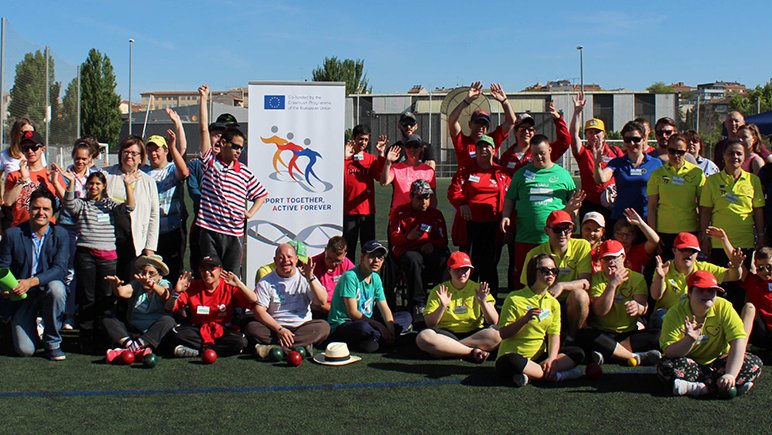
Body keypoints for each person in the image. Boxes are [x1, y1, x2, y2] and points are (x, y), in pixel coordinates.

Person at [60, 168, 137, 353]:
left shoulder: (109, 204)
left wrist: (128, 185)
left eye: (97, 184)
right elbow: (69, 205)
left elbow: (129, 207)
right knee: (87, 298)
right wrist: (70, 183)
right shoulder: (83, 204)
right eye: (91, 183)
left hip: (108, 258)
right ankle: (86, 338)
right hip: (86, 255)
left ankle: (105, 337)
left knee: (106, 299)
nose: (94, 187)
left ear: (103, 186)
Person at [657, 270, 763, 398]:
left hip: (720, 362)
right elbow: (669, 352)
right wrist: (689, 339)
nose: (707, 294)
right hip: (690, 363)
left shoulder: (724, 307)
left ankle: (697, 387)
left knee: (754, 363)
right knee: (665, 366)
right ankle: (719, 387)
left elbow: (738, 340)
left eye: (711, 291)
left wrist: (730, 374)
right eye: (701, 290)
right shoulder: (675, 313)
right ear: (690, 292)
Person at [501, 134, 583, 287]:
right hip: (525, 237)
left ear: (550, 150)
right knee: (524, 280)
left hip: (552, 240)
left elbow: (573, 203)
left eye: (542, 153)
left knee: (549, 278)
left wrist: (573, 217)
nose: (538, 157)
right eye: (534, 154)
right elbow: (510, 197)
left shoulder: (563, 175)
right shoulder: (521, 174)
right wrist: (506, 216)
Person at [496, 254, 586, 387]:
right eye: (545, 270)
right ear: (533, 272)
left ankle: (534, 374)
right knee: (512, 361)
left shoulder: (553, 303)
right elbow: (503, 333)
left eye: (554, 271)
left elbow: (553, 335)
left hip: (539, 358)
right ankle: (556, 376)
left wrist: (551, 359)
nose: (550, 274)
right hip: (514, 357)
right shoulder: (514, 298)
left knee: (578, 353)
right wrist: (524, 320)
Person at [0, 190, 68, 360]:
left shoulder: (60, 235)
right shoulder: (12, 234)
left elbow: (60, 269)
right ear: (29, 209)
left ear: (53, 212)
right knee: (25, 350)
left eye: (46, 209)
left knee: (57, 288)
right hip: (21, 295)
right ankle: (27, 328)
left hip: (46, 289)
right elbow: (3, 267)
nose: (41, 213)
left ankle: (52, 342)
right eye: (36, 208)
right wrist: (5, 289)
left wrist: (31, 281)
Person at [197, 125, 267, 277]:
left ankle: (232, 302)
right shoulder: (211, 163)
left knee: (232, 276)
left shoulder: (244, 171)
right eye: (235, 146)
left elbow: (261, 195)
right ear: (223, 143)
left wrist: (249, 213)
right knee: (210, 274)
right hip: (210, 230)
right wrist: (202, 100)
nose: (238, 151)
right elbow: (203, 129)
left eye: (241, 148)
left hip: (234, 233)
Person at [577, 240, 661, 366]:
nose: (610, 262)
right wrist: (612, 284)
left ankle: (609, 353)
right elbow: (600, 311)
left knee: (658, 335)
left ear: (622, 257)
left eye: (614, 258)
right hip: (602, 332)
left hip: (628, 334)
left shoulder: (637, 278)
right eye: (606, 259)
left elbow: (642, 306)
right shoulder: (596, 279)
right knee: (586, 335)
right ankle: (633, 356)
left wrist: (637, 307)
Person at [449, 135, 511, 293]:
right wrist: (461, 203)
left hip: (493, 226)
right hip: (470, 225)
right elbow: (454, 190)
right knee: (468, 265)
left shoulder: (502, 173)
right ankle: (466, 300)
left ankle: (490, 301)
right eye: (480, 147)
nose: (483, 149)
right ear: (475, 151)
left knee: (489, 266)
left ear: (493, 150)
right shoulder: (466, 170)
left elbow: (510, 198)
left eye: (487, 146)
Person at [327, 240, 412, 352]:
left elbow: (384, 308)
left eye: (380, 257)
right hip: (345, 323)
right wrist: (381, 327)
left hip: (368, 321)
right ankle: (386, 338)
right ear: (362, 258)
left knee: (406, 316)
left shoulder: (376, 278)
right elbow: (352, 313)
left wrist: (390, 329)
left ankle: (379, 339)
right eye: (372, 256)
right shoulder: (350, 277)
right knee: (363, 328)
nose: (376, 260)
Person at [416, 251, 500, 363]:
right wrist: (442, 306)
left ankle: (445, 349)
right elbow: (430, 323)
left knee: (497, 334)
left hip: (474, 334)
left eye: (465, 269)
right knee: (423, 337)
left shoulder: (479, 288)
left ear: (471, 270)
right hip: (445, 333)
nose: (462, 273)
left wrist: (483, 302)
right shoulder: (439, 290)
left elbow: (494, 321)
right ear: (449, 270)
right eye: (457, 269)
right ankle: (470, 352)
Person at [247, 244, 330, 355]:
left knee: (323, 327)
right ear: (275, 260)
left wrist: (310, 278)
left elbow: (322, 301)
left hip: (302, 327)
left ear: (296, 259)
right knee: (252, 328)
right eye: (281, 258)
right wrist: (279, 329)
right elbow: (259, 311)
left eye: (289, 257)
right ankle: (300, 347)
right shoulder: (265, 282)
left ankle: (275, 349)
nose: (286, 261)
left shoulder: (306, 278)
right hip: (275, 328)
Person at [519, 210, 592, 339]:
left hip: (570, 302)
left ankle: (572, 338)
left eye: (568, 229)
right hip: (546, 303)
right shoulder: (534, 254)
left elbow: (585, 282)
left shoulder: (582, 246)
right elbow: (527, 289)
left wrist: (562, 285)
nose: (563, 234)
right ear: (547, 230)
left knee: (580, 295)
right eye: (558, 229)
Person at [188, 86, 236, 275]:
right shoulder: (204, 163)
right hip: (204, 226)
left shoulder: (237, 167)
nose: (219, 139)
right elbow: (202, 128)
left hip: (229, 229)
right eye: (215, 134)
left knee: (229, 273)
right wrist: (203, 98)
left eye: (223, 136)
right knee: (203, 272)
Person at [166, 256, 257, 357]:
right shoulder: (193, 286)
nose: (207, 272)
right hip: (198, 330)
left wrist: (239, 284)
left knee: (241, 342)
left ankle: (198, 352)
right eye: (203, 269)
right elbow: (169, 308)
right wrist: (176, 292)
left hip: (222, 330)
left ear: (220, 271)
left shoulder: (229, 286)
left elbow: (253, 300)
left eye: (211, 269)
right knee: (176, 334)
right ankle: (212, 350)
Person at [650, 232, 743, 329]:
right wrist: (660, 277)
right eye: (683, 250)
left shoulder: (704, 268)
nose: (688, 254)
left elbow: (734, 276)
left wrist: (736, 266)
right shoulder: (664, 268)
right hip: (670, 316)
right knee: (662, 316)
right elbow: (655, 296)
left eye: (692, 251)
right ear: (674, 251)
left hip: (696, 317)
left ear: (697, 254)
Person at [55, 137, 100, 330]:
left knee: (86, 272)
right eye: (77, 158)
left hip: (88, 228)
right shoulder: (65, 174)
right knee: (67, 272)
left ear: (90, 159)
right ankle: (67, 314)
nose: (79, 162)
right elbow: (64, 201)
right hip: (67, 227)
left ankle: (83, 313)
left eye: (83, 159)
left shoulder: (95, 176)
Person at [142, 109, 190, 285]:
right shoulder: (143, 172)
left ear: (165, 150)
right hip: (150, 231)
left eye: (157, 150)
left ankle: (173, 305)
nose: (153, 153)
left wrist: (178, 125)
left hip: (173, 229)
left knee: (173, 269)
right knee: (151, 270)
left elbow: (184, 169)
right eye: (150, 150)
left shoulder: (172, 168)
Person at [699, 139, 765, 263]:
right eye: (730, 153)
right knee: (722, 281)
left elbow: (758, 210)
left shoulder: (753, 180)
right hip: (718, 242)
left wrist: (761, 236)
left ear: (744, 156)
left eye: (739, 153)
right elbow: (705, 211)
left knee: (743, 280)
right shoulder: (712, 181)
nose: (735, 156)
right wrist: (704, 238)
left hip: (745, 241)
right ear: (723, 156)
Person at [103, 136, 159, 281]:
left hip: (135, 243)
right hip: (108, 241)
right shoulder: (106, 175)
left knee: (129, 286)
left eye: (134, 153)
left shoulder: (148, 181)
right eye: (126, 152)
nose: (129, 156)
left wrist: (150, 247)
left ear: (141, 158)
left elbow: (154, 215)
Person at [389, 179, 448, 315]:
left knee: (444, 258)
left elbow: (443, 240)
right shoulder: (400, 213)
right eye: (419, 198)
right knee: (413, 259)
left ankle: (438, 299)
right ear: (411, 197)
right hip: (408, 250)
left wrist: (432, 244)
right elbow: (394, 239)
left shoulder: (436, 215)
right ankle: (418, 303)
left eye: (427, 198)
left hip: (429, 251)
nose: (423, 202)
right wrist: (408, 237)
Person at [101, 254, 176, 355]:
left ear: (160, 276)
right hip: (134, 331)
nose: (146, 276)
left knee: (168, 321)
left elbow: (166, 295)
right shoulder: (137, 284)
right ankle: (134, 346)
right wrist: (117, 286)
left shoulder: (164, 283)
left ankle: (132, 348)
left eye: (151, 273)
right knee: (108, 319)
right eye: (144, 272)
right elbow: (122, 292)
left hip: (153, 333)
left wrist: (151, 284)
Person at [594, 121, 663, 226]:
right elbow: (601, 178)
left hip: (645, 220)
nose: (631, 144)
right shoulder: (617, 162)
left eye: (636, 139)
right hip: (621, 220)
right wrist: (597, 163)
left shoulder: (655, 163)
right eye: (627, 140)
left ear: (644, 139)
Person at [647, 133, 706, 254]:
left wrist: (702, 232)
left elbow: (703, 206)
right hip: (664, 231)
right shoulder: (657, 174)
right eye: (672, 151)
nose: (676, 155)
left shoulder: (697, 173)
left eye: (680, 152)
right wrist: (653, 234)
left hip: (689, 230)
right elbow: (652, 206)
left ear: (687, 151)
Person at [569, 93, 623, 222]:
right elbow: (573, 135)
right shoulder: (583, 152)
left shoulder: (615, 151)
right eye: (590, 132)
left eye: (597, 132)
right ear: (586, 135)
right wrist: (577, 112)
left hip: (611, 203)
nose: (594, 135)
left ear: (604, 134)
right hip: (590, 204)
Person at [447, 82, 516, 170]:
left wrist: (504, 101)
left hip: (488, 181)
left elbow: (511, 121)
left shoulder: (492, 140)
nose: (480, 127)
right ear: (470, 124)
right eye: (477, 123)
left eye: (484, 124)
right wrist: (466, 101)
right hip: (467, 182)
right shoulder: (463, 142)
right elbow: (452, 121)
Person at [343, 124, 386, 262]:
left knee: (369, 249)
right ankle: (348, 277)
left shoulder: (371, 159)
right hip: (348, 211)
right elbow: (340, 179)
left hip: (367, 212)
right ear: (354, 139)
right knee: (348, 249)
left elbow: (380, 177)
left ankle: (367, 278)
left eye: (366, 140)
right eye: (360, 139)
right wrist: (345, 158)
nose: (363, 142)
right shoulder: (344, 159)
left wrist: (381, 154)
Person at [4, 131, 63, 227]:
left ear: (43, 149)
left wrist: (56, 183)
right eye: (26, 148)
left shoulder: (52, 176)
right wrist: (22, 179)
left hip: (46, 230)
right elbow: (8, 201)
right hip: (20, 229)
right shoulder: (14, 175)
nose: (30, 151)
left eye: (34, 147)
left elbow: (67, 203)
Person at [499, 102, 571, 176]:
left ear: (534, 132)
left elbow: (564, 142)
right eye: (522, 129)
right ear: (515, 132)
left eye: (530, 129)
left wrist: (558, 119)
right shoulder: (506, 157)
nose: (527, 132)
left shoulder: (543, 151)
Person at [381, 134, 436, 213]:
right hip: (400, 214)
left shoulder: (429, 171)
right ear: (405, 148)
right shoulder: (396, 168)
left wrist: (432, 213)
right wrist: (388, 162)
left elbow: (433, 197)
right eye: (409, 146)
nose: (412, 149)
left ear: (421, 148)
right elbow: (383, 182)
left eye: (415, 146)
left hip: (420, 214)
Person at [310, 236, 355, 317]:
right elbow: (315, 301)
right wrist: (338, 312)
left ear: (345, 255)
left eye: (338, 261)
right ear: (325, 250)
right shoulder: (313, 265)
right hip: (320, 310)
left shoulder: (348, 265)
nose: (333, 264)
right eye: (330, 259)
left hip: (342, 310)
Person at [608, 208, 659, 274]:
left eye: (628, 235)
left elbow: (654, 241)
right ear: (614, 235)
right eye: (621, 234)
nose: (624, 238)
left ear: (633, 236)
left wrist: (641, 223)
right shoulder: (608, 251)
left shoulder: (638, 251)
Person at [741, 247, 772, 350]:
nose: (765, 271)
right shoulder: (754, 281)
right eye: (760, 268)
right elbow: (738, 263)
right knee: (749, 308)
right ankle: (740, 349)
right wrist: (723, 239)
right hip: (762, 330)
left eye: (769, 267)